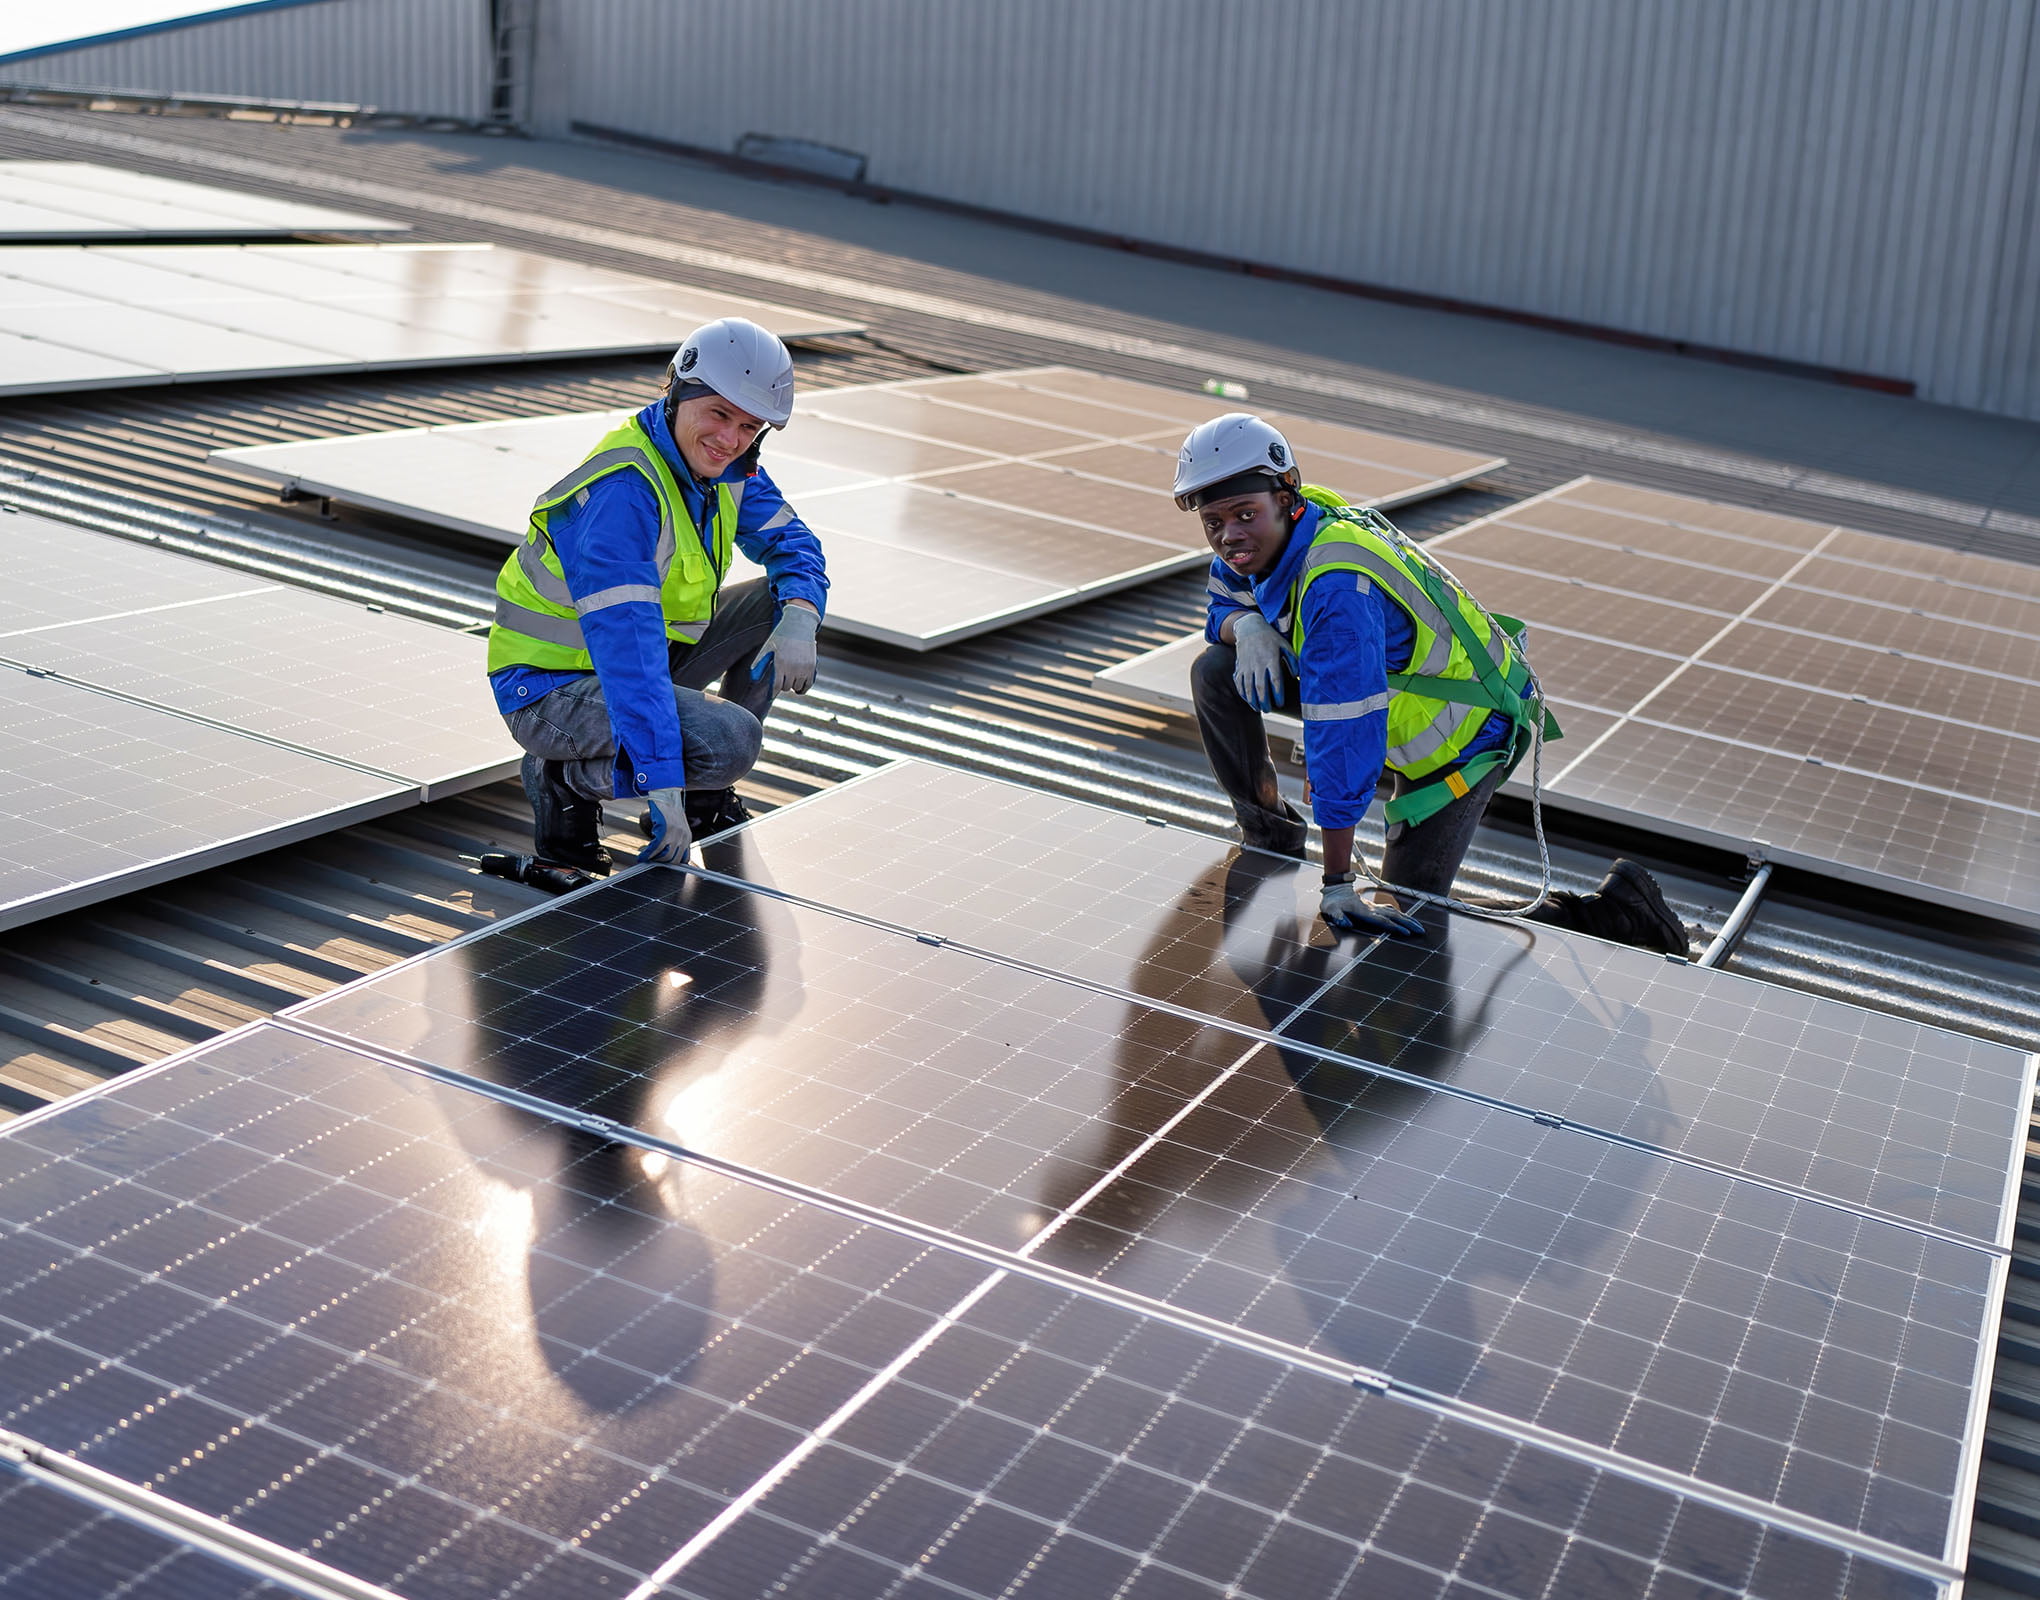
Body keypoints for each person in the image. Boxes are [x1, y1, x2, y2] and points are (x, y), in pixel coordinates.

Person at [1175, 412, 1686, 954]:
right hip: (1395, 704)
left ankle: (1615, 913)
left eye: (1245, 514)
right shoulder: (1269, 538)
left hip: (1459, 739)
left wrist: (1338, 884)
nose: (1229, 535)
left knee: (1410, 923)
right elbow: (1225, 598)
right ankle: (1272, 837)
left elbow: (1344, 734)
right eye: (1214, 523)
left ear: (1287, 495)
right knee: (1216, 669)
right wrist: (1244, 624)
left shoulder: (1338, 588)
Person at [487, 318, 828, 876]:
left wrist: (802, 613)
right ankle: (560, 778)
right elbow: (629, 649)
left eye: (749, 426)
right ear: (676, 392)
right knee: (731, 741)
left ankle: (704, 796)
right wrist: (662, 782)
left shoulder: (728, 469)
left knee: (778, 605)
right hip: (550, 689)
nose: (730, 439)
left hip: (642, 662)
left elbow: (794, 544)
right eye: (718, 414)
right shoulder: (624, 491)